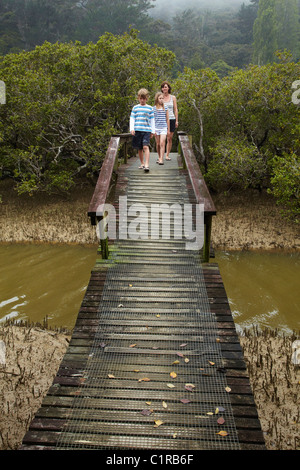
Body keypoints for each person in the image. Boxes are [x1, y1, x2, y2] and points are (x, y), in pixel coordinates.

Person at [130, 88, 155, 172]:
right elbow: (132, 118)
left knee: (145, 146)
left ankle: (147, 164)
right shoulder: (135, 108)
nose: (142, 100)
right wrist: (132, 129)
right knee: (139, 148)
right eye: (141, 98)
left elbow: (152, 120)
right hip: (137, 130)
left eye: (144, 98)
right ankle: (142, 163)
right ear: (138, 98)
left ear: (146, 98)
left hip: (146, 130)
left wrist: (153, 131)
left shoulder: (150, 108)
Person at [161, 81, 178, 161]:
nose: (165, 88)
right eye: (163, 87)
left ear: (168, 88)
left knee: (169, 138)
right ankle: (161, 155)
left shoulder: (173, 97)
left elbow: (175, 109)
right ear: (162, 89)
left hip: (171, 119)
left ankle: (167, 155)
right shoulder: (160, 97)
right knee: (162, 138)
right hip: (162, 119)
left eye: (166, 87)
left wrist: (176, 121)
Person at [153, 92, 170, 165]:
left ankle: (161, 159)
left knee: (162, 143)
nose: (161, 100)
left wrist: (168, 129)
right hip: (156, 128)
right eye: (160, 98)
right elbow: (152, 120)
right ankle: (159, 156)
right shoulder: (153, 108)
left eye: (162, 98)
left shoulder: (165, 108)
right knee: (158, 144)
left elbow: (167, 119)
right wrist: (153, 130)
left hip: (163, 128)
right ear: (157, 99)